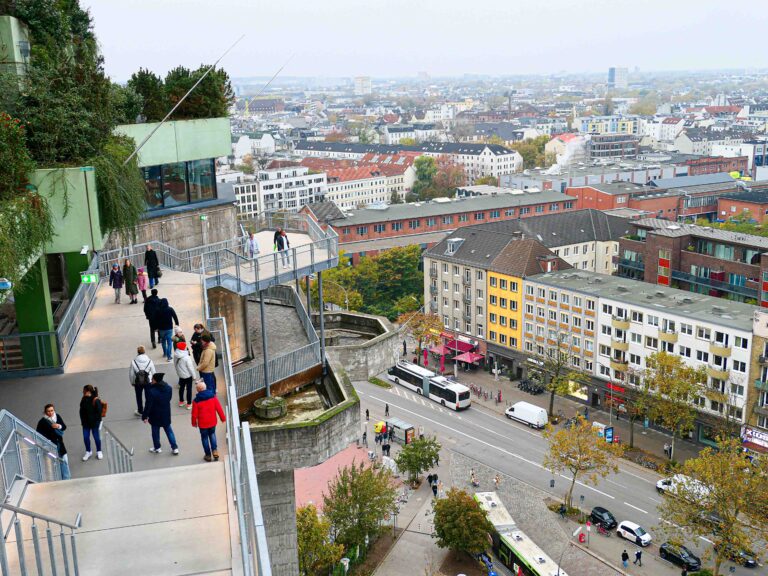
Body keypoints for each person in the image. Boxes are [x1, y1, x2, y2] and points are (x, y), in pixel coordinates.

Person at [143, 372, 179, 455]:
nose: (151, 380)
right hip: (165, 413)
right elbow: (169, 399)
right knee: (169, 431)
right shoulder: (169, 388)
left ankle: (157, 447)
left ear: (155, 380)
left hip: (155, 415)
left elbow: (148, 405)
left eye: (152, 379)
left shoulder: (151, 391)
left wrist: (145, 416)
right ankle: (174, 447)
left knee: (155, 432)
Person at [191, 381, 225, 462]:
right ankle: (215, 451)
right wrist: (222, 418)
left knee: (204, 438)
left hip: (203, 424)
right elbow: (219, 408)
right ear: (205, 388)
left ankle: (208, 455)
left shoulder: (196, 401)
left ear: (198, 390)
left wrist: (194, 423)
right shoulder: (213, 397)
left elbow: (194, 414)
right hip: (212, 421)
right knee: (212, 434)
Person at [36, 404, 70, 480]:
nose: (50, 413)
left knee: (64, 462)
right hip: (50, 446)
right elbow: (38, 434)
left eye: (52, 410)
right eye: (48, 411)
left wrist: (58, 426)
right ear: (45, 412)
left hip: (60, 445)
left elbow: (64, 427)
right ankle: (57, 479)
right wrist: (47, 441)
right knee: (53, 464)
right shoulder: (42, 422)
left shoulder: (57, 416)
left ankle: (67, 479)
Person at [129, 346, 156, 416]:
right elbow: (154, 372)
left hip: (137, 382)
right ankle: (148, 410)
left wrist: (132, 382)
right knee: (148, 396)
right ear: (144, 352)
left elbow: (131, 374)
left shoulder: (133, 362)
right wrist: (154, 382)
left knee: (138, 396)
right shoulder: (150, 361)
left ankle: (140, 410)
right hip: (148, 381)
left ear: (138, 352)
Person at [79, 385, 103, 461]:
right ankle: (88, 451)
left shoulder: (96, 400)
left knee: (96, 437)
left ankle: (99, 451)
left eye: (84, 390)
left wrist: (95, 421)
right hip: (86, 423)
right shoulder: (83, 399)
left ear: (88, 391)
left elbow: (99, 412)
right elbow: (81, 410)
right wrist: (82, 420)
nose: (83, 392)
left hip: (94, 423)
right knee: (86, 437)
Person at [174, 341, 197, 409]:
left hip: (181, 375)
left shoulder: (176, 355)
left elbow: (175, 365)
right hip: (188, 376)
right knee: (189, 389)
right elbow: (191, 368)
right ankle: (189, 404)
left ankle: (181, 401)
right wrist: (194, 376)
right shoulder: (186, 357)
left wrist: (178, 373)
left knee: (181, 388)